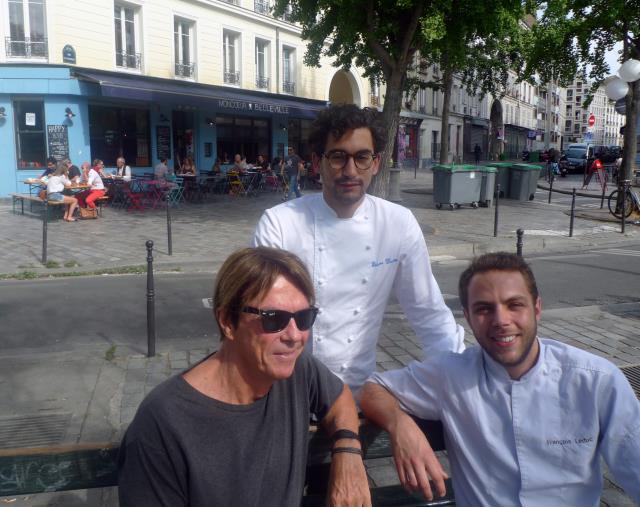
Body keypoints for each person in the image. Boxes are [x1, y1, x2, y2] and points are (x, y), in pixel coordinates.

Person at [360, 252, 640, 506]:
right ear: (468, 317)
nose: (501, 320)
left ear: (537, 308)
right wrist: (400, 426)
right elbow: (372, 389)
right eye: (484, 309)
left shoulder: (596, 382)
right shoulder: (450, 375)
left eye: (514, 305)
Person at [118, 247, 370, 507]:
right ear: (227, 321)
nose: (294, 336)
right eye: (274, 319)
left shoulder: (298, 370)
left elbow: (340, 397)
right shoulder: (164, 422)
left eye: (305, 318)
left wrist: (348, 451)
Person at [253, 104, 464, 394]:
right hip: (288, 391)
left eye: (362, 157)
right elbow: (263, 321)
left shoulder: (397, 223)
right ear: (318, 162)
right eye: (338, 157)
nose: (350, 170)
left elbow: (428, 312)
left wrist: (464, 378)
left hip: (359, 391)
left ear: (376, 163)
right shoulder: (280, 223)